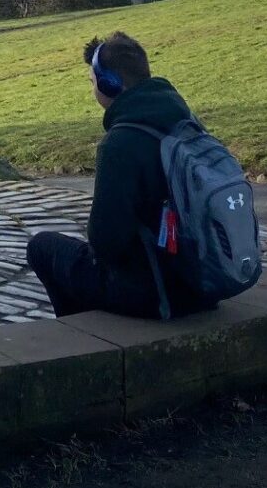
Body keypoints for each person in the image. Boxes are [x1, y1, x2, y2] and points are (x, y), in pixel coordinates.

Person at [25, 33, 210, 319]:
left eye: (92, 82)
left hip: (154, 292)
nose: (92, 89)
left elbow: (105, 243)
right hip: (202, 283)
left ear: (109, 83)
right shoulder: (185, 120)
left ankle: (85, 338)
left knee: (42, 247)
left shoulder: (121, 142)